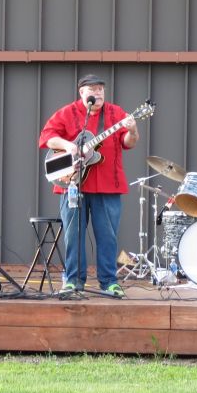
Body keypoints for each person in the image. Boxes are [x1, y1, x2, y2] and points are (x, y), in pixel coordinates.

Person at [39, 74, 139, 298]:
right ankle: (73, 281)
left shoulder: (116, 113)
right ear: (82, 93)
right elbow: (47, 137)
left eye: (101, 89)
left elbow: (128, 143)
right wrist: (69, 146)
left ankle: (109, 282)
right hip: (73, 184)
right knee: (73, 235)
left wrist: (132, 130)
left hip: (108, 186)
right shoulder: (67, 112)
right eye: (93, 89)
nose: (99, 93)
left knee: (108, 236)